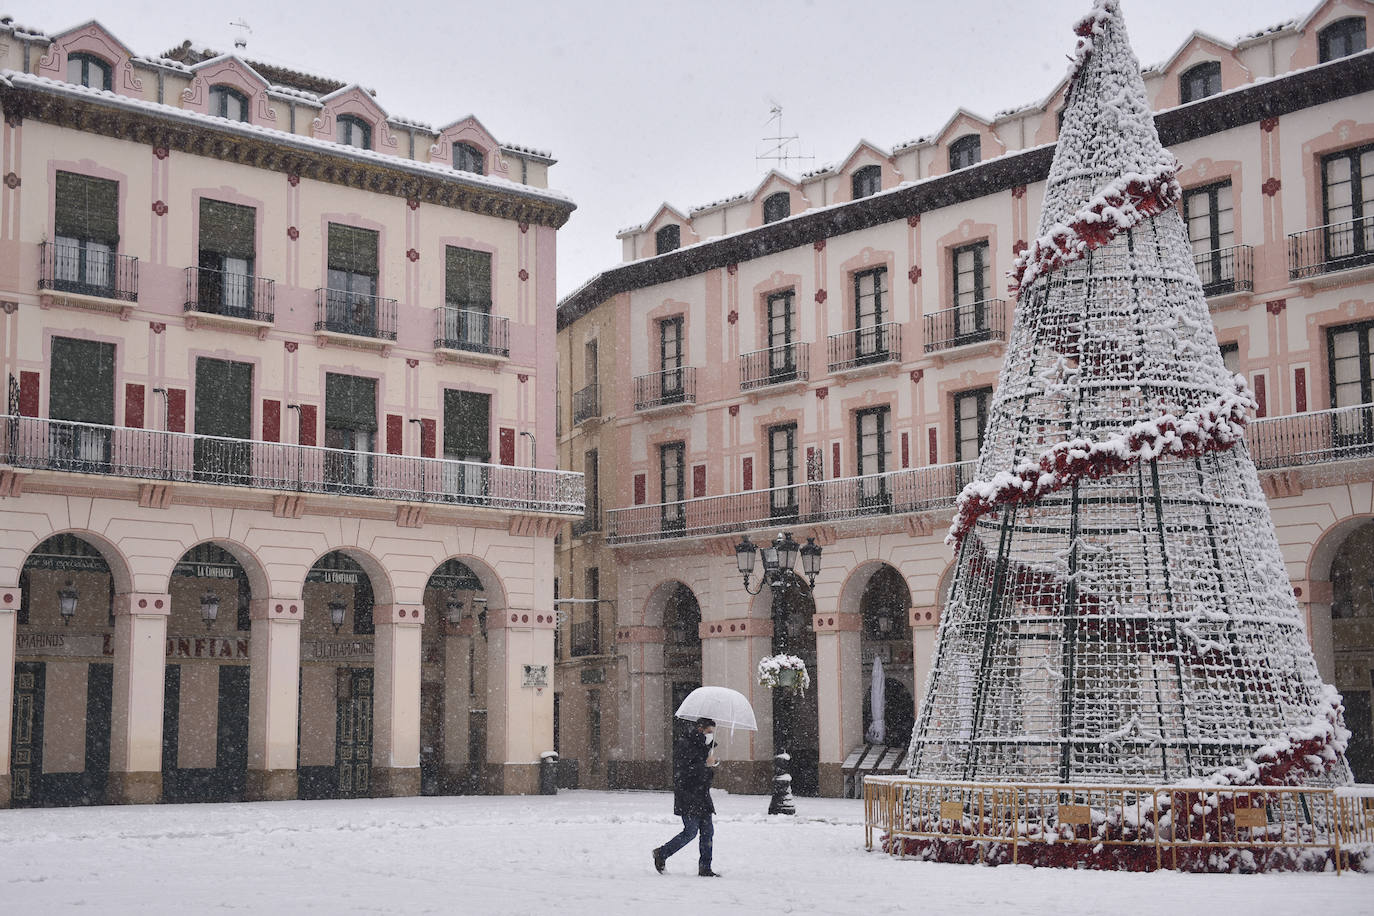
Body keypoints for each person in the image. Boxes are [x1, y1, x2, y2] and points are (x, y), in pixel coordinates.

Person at [652, 717, 720, 877]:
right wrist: (705, 765)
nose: (711, 735)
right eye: (709, 731)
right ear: (700, 729)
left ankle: (705, 867)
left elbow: (706, 777)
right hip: (688, 795)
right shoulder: (686, 744)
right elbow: (683, 772)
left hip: (702, 796)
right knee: (690, 831)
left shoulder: (705, 747)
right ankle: (661, 853)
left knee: (708, 832)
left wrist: (710, 765)